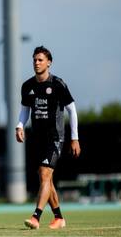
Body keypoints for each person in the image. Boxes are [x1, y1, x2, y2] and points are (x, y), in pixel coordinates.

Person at [16, 46, 81, 229]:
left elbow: (72, 110)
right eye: (34, 60)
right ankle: (59, 218)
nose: (36, 63)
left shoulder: (58, 84)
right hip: (37, 138)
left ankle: (36, 217)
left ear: (49, 63)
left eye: (40, 60)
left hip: (55, 138)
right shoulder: (27, 86)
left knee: (45, 174)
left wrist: (74, 138)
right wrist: (20, 126)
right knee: (47, 179)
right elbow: (24, 111)